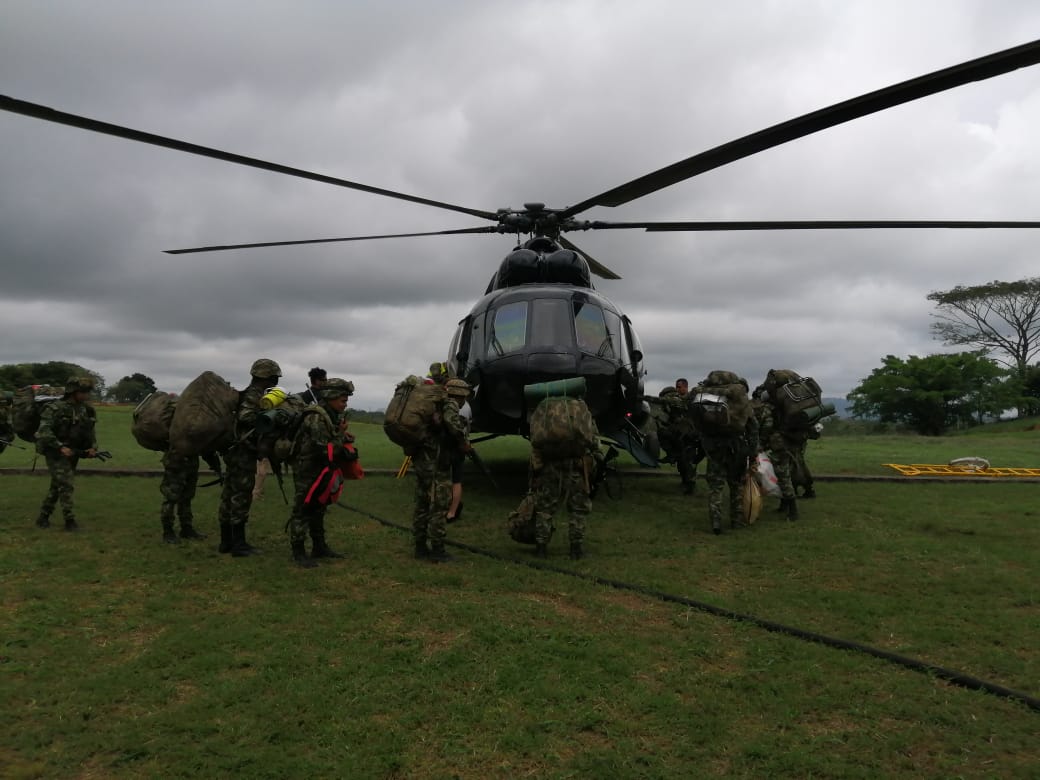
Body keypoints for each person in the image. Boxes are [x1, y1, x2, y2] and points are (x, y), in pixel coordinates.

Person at [285, 378, 356, 568]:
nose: (345, 403)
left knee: (319, 507)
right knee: (303, 508)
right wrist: (341, 435)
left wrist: (341, 434)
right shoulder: (316, 418)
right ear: (330, 398)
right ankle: (298, 551)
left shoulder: (329, 415)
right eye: (343, 400)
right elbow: (326, 450)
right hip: (307, 469)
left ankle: (319, 546)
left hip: (320, 469)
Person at [217, 358, 281, 556]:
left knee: (229, 494)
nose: (276, 381)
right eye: (274, 377)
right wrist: (269, 416)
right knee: (241, 495)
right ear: (266, 377)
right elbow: (246, 416)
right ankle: (238, 544)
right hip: (242, 452)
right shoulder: (254, 395)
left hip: (235, 451)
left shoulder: (250, 393)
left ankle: (226, 542)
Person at [529, 394, 598, 560]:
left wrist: (536, 471)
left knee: (545, 507)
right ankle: (576, 549)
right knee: (578, 509)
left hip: (550, 466)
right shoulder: (581, 410)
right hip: (575, 467)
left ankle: (541, 548)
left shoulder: (546, 411)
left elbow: (535, 442)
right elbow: (593, 440)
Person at [411, 374, 470, 562]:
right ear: (460, 396)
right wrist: (463, 442)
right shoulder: (450, 404)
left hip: (422, 462)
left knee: (422, 504)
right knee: (439, 506)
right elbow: (453, 426)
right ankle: (437, 550)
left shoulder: (433, 406)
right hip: (437, 464)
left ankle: (420, 547)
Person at [695, 374, 759, 535]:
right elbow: (753, 429)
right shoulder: (744, 404)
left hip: (715, 450)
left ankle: (716, 522)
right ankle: (736, 521)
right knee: (736, 485)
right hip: (736, 450)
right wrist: (753, 453)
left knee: (716, 487)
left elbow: (700, 427)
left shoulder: (710, 401)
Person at [34, 376, 99, 531]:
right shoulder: (55, 408)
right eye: (83, 392)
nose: (87, 395)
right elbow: (44, 430)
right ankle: (69, 521)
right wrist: (60, 447)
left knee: (58, 485)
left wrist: (93, 447)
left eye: (87, 392)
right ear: (73, 391)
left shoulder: (84, 409)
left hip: (74, 452)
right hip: (55, 452)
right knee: (66, 484)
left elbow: (90, 430)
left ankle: (43, 516)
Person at [754, 378, 805, 521]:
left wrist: (761, 443)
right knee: (784, 474)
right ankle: (784, 506)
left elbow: (766, 428)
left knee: (783, 478)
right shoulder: (784, 409)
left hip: (778, 448)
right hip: (788, 445)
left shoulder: (768, 410)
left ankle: (793, 512)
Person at [160, 450, 223, 543]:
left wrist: (215, 465)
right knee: (171, 498)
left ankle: (186, 528)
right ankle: (168, 531)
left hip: (191, 463)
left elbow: (205, 446)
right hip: (176, 462)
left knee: (187, 497)